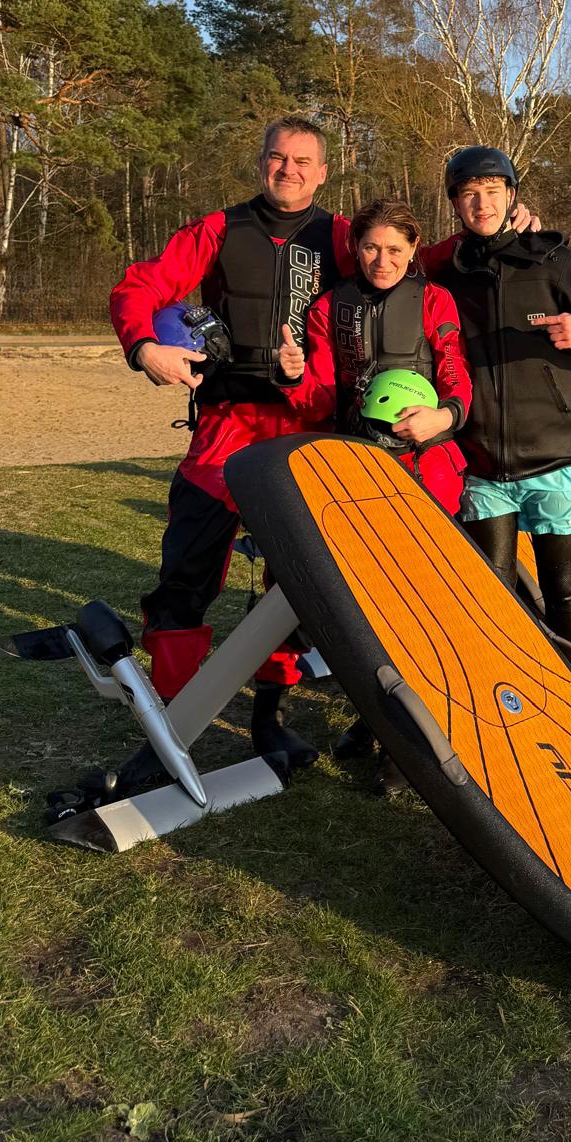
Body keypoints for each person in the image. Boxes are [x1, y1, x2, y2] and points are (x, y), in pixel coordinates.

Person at [108, 117, 353, 778]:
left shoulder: (346, 241)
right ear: (261, 162)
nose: (289, 170)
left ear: (324, 171)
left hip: (304, 431)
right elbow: (140, 287)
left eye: (304, 160)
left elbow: (415, 276)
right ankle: (170, 710)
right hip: (226, 423)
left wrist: (507, 240)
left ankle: (268, 716)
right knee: (187, 568)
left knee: (291, 582)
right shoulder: (216, 230)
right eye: (278, 157)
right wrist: (146, 347)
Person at [421, 145, 571, 661]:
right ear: (456, 204)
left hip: (555, 460)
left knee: (563, 592)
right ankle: (514, 709)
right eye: (470, 194)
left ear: (513, 195)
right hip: (482, 466)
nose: (483, 204)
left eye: (494, 192)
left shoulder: (556, 263)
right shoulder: (446, 271)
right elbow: (391, 258)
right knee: (493, 600)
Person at [277, 197, 472, 515]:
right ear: (355, 245)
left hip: (428, 456)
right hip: (358, 458)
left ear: (412, 248)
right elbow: (319, 404)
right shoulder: (328, 307)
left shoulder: (435, 300)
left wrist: (444, 417)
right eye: (371, 248)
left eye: (394, 249)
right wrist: (294, 376)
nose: (382, 261)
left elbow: (454, 372)